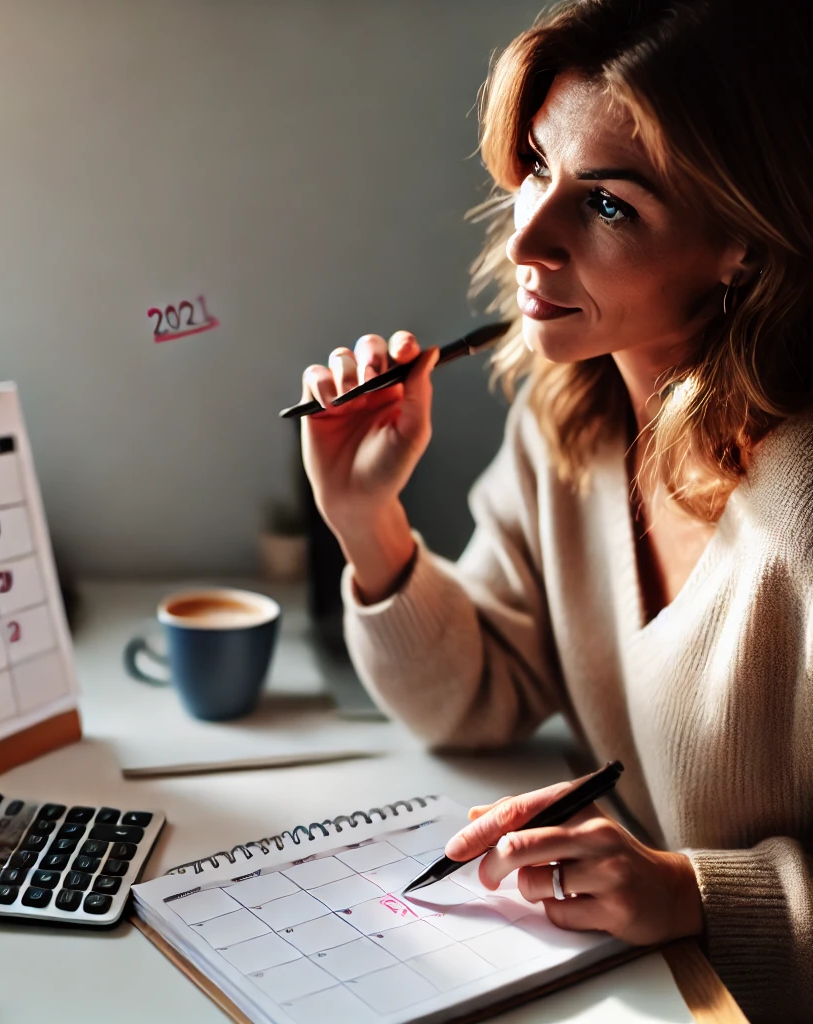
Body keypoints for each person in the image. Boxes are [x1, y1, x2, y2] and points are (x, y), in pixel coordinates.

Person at [297, 1, 812, 1019]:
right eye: (535, 164)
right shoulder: (567, 419)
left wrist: (692, 891)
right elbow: (474, 696)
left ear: (739, 247)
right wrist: (368, 522)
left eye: (607, 205)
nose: (528, 233)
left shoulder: (799, 512)